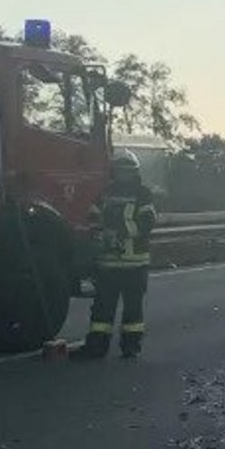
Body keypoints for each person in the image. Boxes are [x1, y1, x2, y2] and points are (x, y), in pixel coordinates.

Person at [76, 149, 156, 360]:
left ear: (135, 173)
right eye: (120, 171)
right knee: (102, 310)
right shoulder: (105, 194)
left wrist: (122, 234)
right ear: (114, 172)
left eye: (128, 172)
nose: (124, 175)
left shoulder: (142, 194)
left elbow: (148, 221)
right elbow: (92, 217)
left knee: (133, 311)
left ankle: (131, 347)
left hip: (134, 264)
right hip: (108, 264)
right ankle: (96, 347)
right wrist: (100, 235)